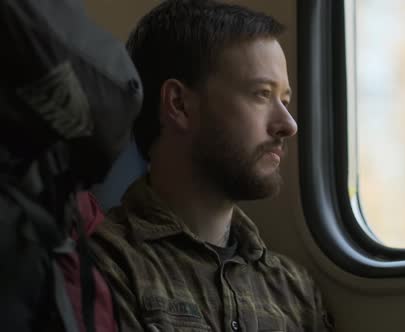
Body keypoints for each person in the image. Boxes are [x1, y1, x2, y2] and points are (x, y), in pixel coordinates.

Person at [90, 1, 333, 331]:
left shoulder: (294, 290)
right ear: (179, 105)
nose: (288, 124)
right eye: (261, 94)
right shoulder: (107, 264)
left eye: (285, 100)